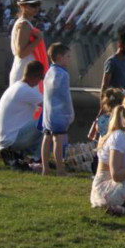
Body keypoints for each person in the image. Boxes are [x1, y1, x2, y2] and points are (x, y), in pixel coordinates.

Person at [0, 60, 45, 165]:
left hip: (5, 139)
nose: (40, 81)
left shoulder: (15, 87)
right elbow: (51, 108)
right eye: (41, 78)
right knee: (46, 122)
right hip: (13, 139)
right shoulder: (26, 90)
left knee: (41, 127)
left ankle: (14, 155)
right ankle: (37, 159)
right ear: (36, 77)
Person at [41, 43, 75, 176]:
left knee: (47, 137)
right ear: (60, 57)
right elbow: (65, 95)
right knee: (58, 140)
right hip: (59, 113)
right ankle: (60, 169)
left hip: (48, 113)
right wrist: (69, 113)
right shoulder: (63, 74)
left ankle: (46, 168)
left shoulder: (49, 72)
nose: (69, 59)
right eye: (68, 56)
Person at [9, 0, 44, 86]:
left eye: (38, 4)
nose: (36, 8)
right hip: (24, 74)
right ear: (23, 6)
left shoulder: (25, 23)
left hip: (25, 72)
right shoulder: (24, 24)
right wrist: (38, 39)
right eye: (32, 5)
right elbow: (21, 53)